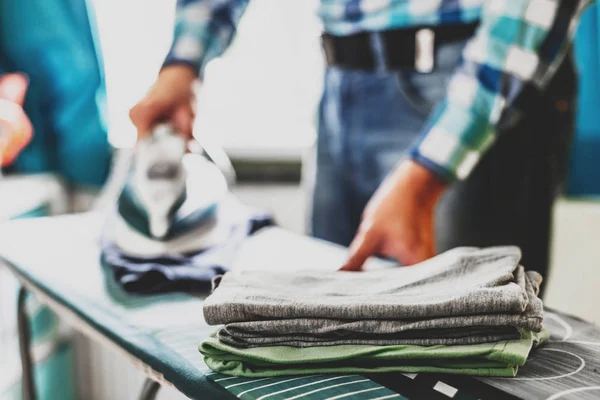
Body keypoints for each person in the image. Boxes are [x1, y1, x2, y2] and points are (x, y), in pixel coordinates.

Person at [130, 0, 591, 291]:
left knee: (465, 355)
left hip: (473, 83)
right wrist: (183, 63)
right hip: (341, 83)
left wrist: (431, 171)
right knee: (329, 348)